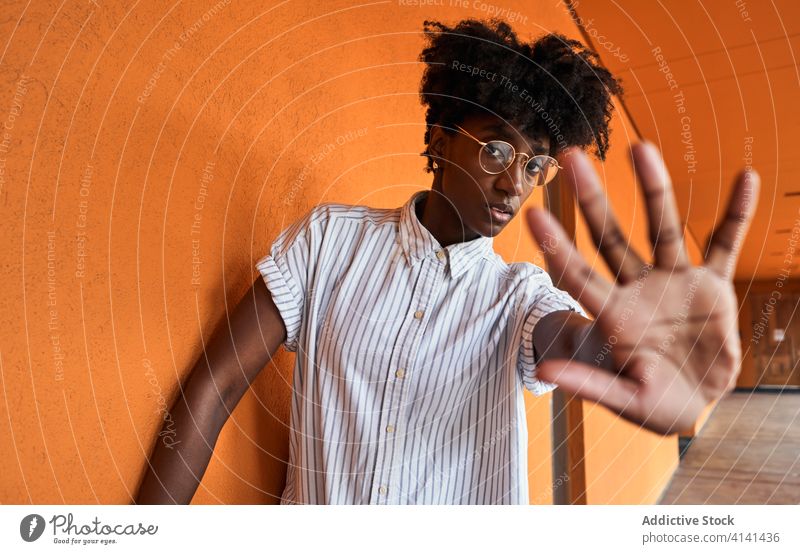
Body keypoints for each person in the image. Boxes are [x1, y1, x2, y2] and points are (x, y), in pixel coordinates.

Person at [135, 18, 759, 505]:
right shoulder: (327, 244)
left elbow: (575, 343)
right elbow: (211, 391)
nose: (514, 183)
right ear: (439, 140)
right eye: (495, 148)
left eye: (535, 164)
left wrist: (633, 350)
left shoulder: (519, 297)